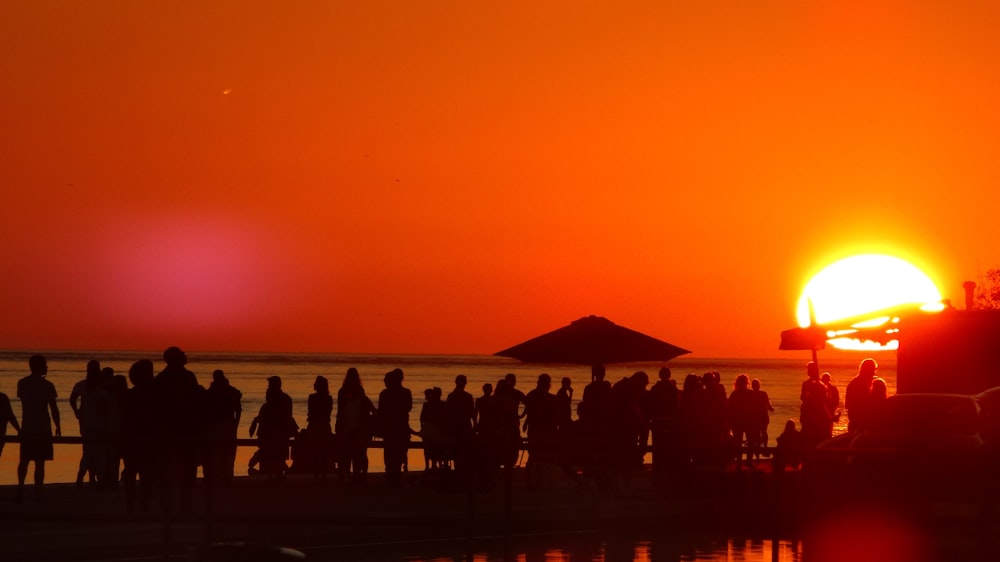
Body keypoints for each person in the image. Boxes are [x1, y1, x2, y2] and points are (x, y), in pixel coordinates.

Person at [152, 346, 203, 514]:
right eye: (182, 354)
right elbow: (196, 404)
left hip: (175, 430)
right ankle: (181, 506)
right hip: (181, 431)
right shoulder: (185, 378)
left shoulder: (162, 379)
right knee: (180, 471)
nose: (185, 355)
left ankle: (176, 506)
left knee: (176, 471)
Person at [16, 354, 61, 503]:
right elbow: (53, 408)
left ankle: (21, 486)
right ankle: (37, 490)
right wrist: (58, 426)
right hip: (42, 427)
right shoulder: (47, 385)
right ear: (39, 367)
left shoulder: (22, 383)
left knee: (24, 460)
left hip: (28, 426)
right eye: (45, 365)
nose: (46, 367)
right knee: (39, 462)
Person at [122, 359, 156, 513]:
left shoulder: (130, 395)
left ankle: (133, 502)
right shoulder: (150, 395)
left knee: (136, 472)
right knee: (142, 472)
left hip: (136, 439)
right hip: (141, 439)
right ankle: (138, 502)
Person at [335, 368, 375, 482]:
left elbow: (340, 410)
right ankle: (358, 474)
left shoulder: (343, 391)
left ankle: (348, 474)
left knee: (348, 452)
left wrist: (338, 425)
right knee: (358, 453)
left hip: (349, 425)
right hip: (356, 426)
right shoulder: (358, 391)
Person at [204, 370, 242, 485]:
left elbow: (206, 410)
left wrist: (235, 424)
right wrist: (236, 424)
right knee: (227, 452)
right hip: (225, 424)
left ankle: (221, 476)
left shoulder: (212, 392)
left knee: (218, 451)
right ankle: (226, 476)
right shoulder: (230, 391)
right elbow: (238, 409)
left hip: (218, 425)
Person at [377, 368, 412, 485]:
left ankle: (390, 476)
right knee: (399, 454)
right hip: (401, 427)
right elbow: (408, 408)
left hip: (390, 427)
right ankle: (395, 477)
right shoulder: (406, 392)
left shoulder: (385, 393)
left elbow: (381, 411)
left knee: (389, 454)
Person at [523, 374, 559, 486]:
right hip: (544, 430)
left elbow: (529, 413)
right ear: (547, 384)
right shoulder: (551, 399)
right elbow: (554, 417)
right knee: (543, 455)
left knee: (533, 455)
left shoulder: (531, 395)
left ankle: (530, 481)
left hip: (535, 429)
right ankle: (539, 481)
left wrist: (526, 422)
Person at [296, 375, 334, 479]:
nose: (313, 384)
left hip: (314, 426)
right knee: (323, 451)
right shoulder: (329, 398)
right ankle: (323, 473)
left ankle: (317, 473)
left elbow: (311, 412)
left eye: (315, 383)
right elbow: (327, 413)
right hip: (324, 426)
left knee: (315, 450)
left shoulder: (312, 397)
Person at [846, 358, 878, 433]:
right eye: (872, 370)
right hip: (860, 423)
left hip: (862, 422)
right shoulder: (857, 384)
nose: (874, 373)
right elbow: (852, 406)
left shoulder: (857, 383)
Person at [749, 378, 774, 460]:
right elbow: (768, 405)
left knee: (756, 434)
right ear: (759, 386)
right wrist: (771, 409)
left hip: (754, 417)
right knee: (764, 432)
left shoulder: (750, 394)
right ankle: (765, 447)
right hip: (762, 417)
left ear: (752, 386)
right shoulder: (763, 394)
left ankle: (756, 453)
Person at [0, 382, 22, 464]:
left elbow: (10, 416)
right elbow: (10, 416)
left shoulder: (3, 398)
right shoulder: (2, 398)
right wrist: (18, 430)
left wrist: (19, 429)